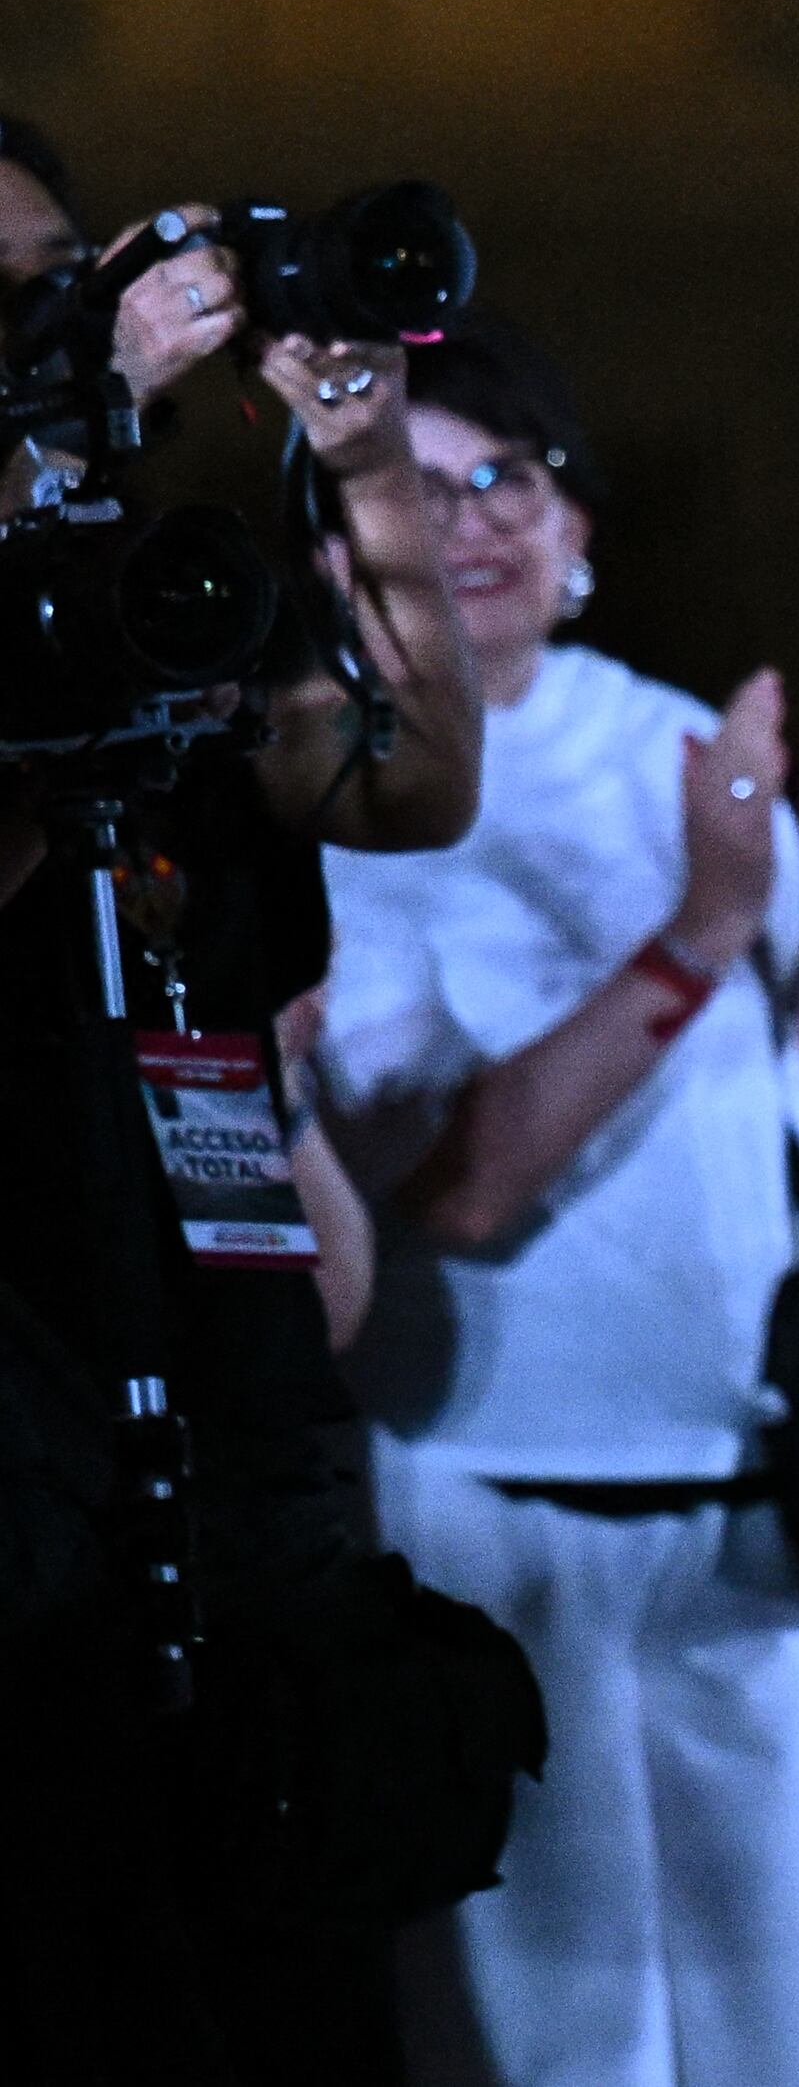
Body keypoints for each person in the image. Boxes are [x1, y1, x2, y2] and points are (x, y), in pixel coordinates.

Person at [310, 320, 799, 2087]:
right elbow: (456, 1185)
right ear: (336, 538)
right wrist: (700, 930)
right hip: (484, 1510)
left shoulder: (687, 743)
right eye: (418, 483)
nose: (474, 519)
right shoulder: (333, 787)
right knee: (560, 2046)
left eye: (511, 476)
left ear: (581, 520)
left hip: (751, 1505)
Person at [0, 133, 511, 2085]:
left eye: (70, 276)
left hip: (249, 1406)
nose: (65, 320)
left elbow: (414, 776)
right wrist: (64, 398)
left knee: (301, 1967)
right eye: (16, 298)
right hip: (36, 1407)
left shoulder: (166, 601)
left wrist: (367, 460)